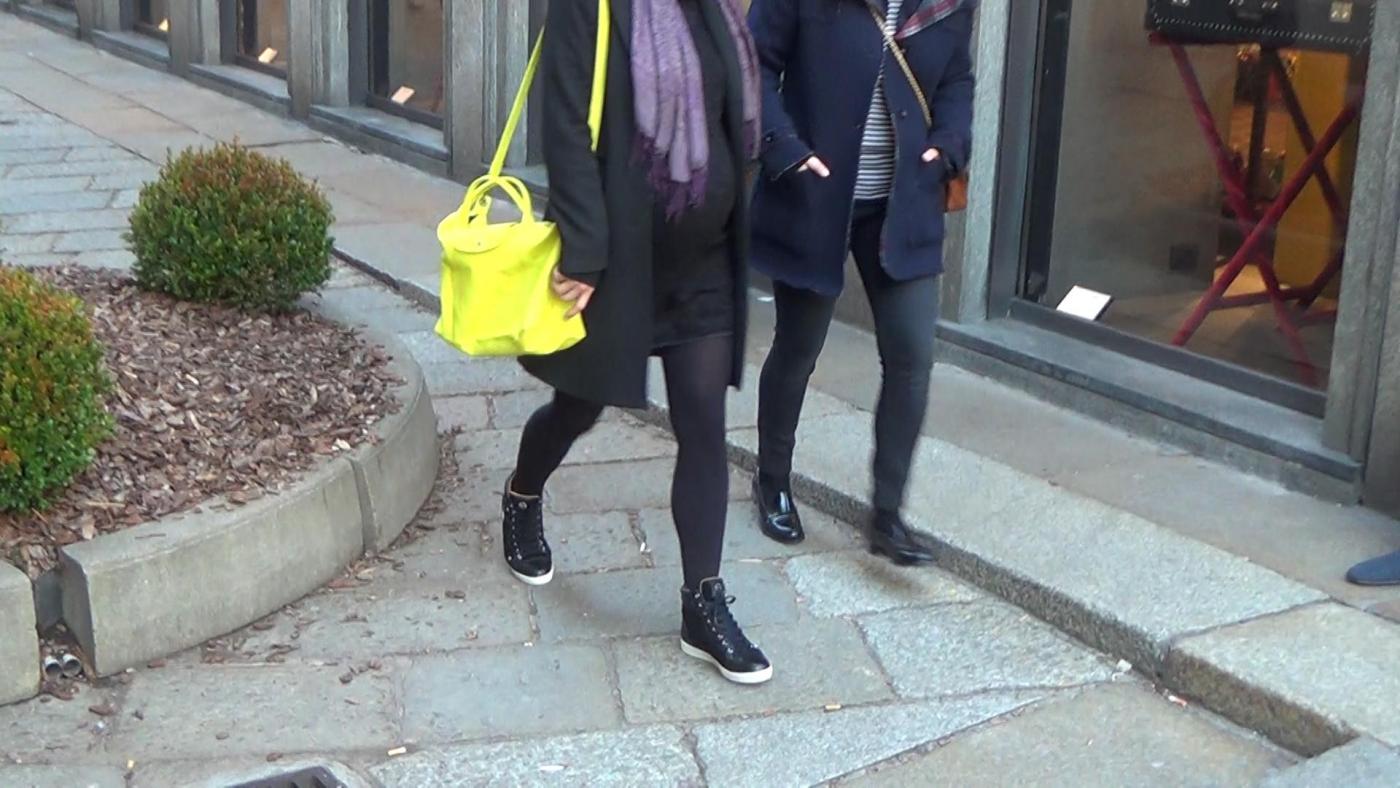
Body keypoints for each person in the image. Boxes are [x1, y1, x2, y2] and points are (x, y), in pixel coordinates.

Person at [501, 0, 771, 684]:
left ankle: (703, 604)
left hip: (702, 263)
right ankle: (523, 493)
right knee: (579, 406)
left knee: (703, 423)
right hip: (618, 264)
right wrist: (583, 249)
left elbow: (731, 111)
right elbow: (565, 125)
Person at [745, 0, 975, 564]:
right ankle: (771, 478)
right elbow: (752, 64)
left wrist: (949, 143)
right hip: (815, 197)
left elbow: (957, 78)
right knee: (798, 347)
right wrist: (784, 148)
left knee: (912, 356)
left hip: (903, 202)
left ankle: (887, 516)